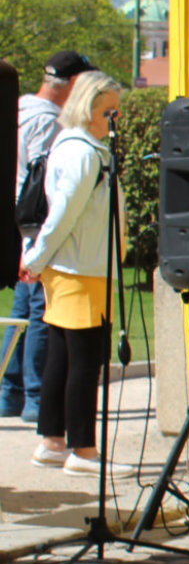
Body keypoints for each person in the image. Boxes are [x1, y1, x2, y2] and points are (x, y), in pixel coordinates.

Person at [23, 71, 130, 478]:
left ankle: (52, 442)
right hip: (82, 268)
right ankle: (82, 450)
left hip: (75, 266)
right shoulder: (85, 154)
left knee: (63, 357)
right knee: (84, 362)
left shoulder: (76, 147)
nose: (114, 119)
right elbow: (63, 214)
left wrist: (39, 259)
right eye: (109, 112)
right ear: (88, 109)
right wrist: (35, 259)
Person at [6, 50, 95, 423]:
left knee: (22, 312)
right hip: (38, 227)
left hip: (20, 224)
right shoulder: (46, 122)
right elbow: (46, 181)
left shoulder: (19, 110)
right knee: (41, 312)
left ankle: (10, 394)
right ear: (72, 84)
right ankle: (36, 399)